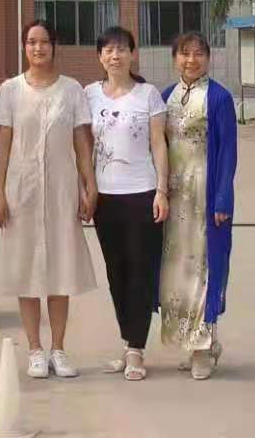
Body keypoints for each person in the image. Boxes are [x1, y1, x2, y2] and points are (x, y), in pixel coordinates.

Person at [0, 18, 98, 380]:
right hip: (22, 191)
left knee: (60, 269)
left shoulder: (72, 90)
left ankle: (59, 349)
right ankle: (35, 349)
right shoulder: (10, 90)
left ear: (54, 46)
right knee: (27, 271)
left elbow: (81, 142)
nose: (38, 48)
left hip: (61, 190)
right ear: (25, 47)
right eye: (32, 42)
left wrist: (89, 185)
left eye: (44, 42)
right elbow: (2, 146)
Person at [85, 26, 168, 381]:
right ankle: (127, 341)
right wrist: (85, 189)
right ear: (100, 56)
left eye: (121, 49)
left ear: (133, 54)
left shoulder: (148, 95)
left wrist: (162, 190)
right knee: (116, 272)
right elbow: (83, 147)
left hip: (142, 194)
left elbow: (159, 144)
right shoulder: (89, 95)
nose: (115, 55)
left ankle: (136, 348)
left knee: (140, 271)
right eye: (108, 49)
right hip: (105, 199)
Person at [158, 31, 237, 381]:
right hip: (174, 197)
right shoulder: (166, 97)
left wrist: (222, 198)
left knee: (204, 269)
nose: (191, 60)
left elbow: (228, 153)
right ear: (175, 58)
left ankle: (204, 346)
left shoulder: (219, 98)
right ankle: (191, 342)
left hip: (204, 193)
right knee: (179, 272)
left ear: (208, 58)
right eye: (184, 53)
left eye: (198, 53)